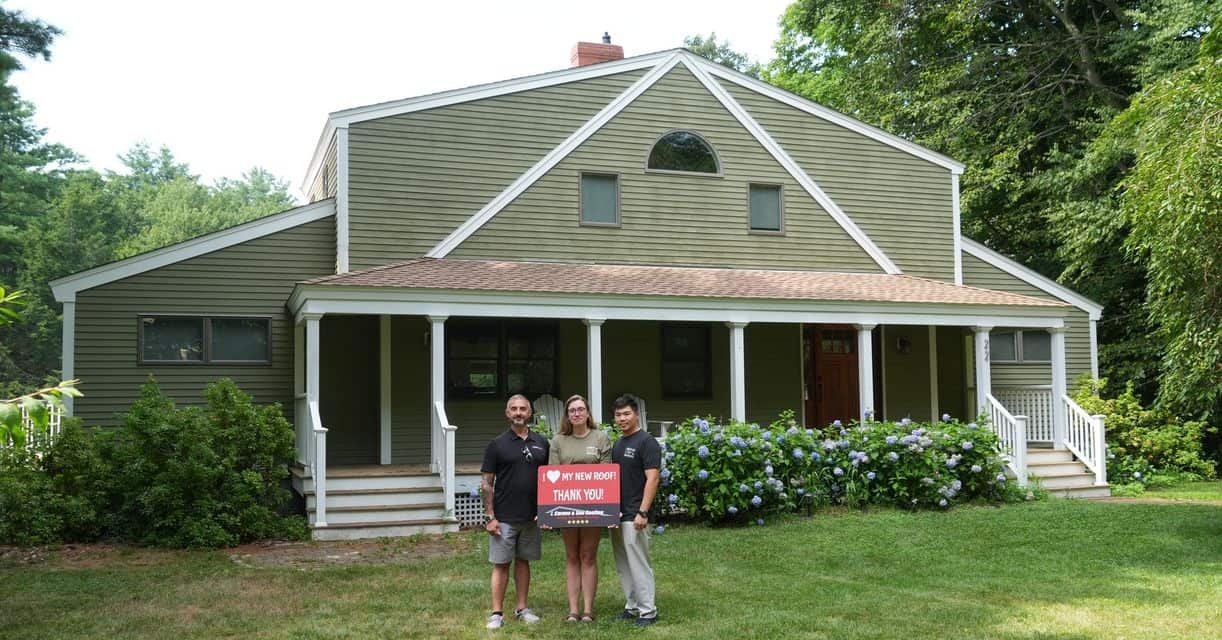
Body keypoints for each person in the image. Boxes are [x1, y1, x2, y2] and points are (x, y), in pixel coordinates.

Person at [481, 394, 550, 630]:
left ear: (530, 413)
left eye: (523, 408)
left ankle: (522, 608)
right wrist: (490, 517)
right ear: (507, 413)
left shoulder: (542, 443)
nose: (518, 412)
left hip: (532, 517)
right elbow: (487, 483)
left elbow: (549, 479)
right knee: (501, 564)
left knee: (523, 562)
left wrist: (545, 510)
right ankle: (496, 613)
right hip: (504, 517)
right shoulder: (497, 444)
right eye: (514, 409)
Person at [547, 394, 613, 623]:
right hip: (566, 503)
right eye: (572, 410)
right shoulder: (558, 441)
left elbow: (606, 473)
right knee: (572, 555)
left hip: (594, 504)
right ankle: (573, 610)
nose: (576, 413)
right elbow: (552, 474)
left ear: (587, 413)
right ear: (567, 415)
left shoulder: (600, 438)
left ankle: (588, 610)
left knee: (588, 555)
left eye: (580, 409)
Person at [609, 394, 661, 626]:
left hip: (636, 514)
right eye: (618, 415)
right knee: (624, 564)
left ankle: (648, 611)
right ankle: (632, 606)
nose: (622, 419)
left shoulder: (647, 442)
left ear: (637, 415)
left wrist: (643, 512)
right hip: (618, 514)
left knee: (639, 563)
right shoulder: (618, 444)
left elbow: (653, 478)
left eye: (626, 414)